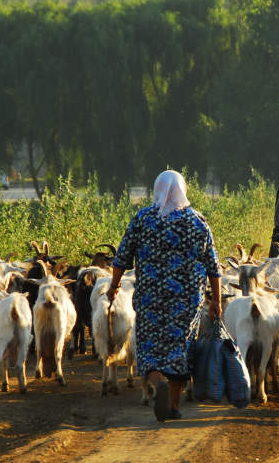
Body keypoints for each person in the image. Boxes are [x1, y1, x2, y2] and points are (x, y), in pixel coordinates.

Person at [107, 170, 221, 422]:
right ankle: (172, 404)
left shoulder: (143, 218)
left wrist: (114, 285)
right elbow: (213, 265)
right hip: (187, 300)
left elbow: (122, 257)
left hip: (150, 299)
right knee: (182, 349)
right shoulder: (197, 221)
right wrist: (217, 300)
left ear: (157, 189)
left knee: (149, 346)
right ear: (183, 190)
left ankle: (157, 380)